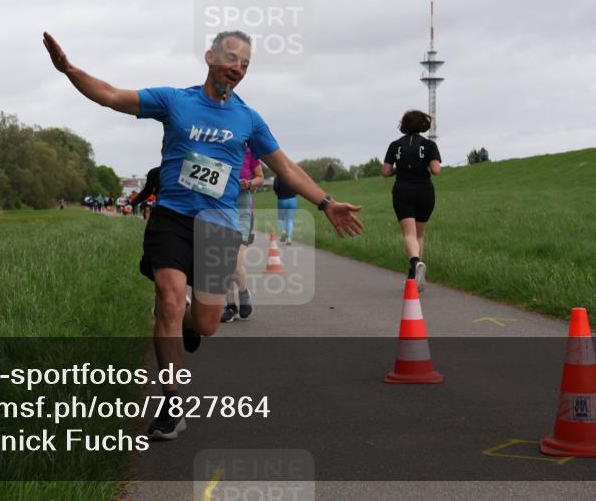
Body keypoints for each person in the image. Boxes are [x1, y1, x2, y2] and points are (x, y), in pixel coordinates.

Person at [42, 28, 363, 441]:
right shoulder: (174, 100)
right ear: (210, 57)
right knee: (169, 300)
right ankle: (171, 404)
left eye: (245, 64)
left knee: (207, 323)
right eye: (231, 58)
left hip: (219, 225)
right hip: (172, 217)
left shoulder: (249, 119)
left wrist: (325, 202)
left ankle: (188, 322)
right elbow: (110, 95)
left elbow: (285, 167)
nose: (237, 68)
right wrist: (69, 70)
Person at [382, 110, 441, 292]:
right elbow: (436, 170)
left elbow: (385, 172)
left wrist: (398, 170)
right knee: (419, 235)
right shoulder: (429, 145)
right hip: (425, 191)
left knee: (409, 234)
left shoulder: (395, 145)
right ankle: (413, 275)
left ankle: (415, 263)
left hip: (403, 191)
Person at [221, 144, 264, 323]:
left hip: (243, 209)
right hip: (221, 208)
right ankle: (230, 306)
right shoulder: (218, 149)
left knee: (236, 259)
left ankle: (244, 292)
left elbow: (260, 177)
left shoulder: (250, 152)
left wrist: (249, 183)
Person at [272, 174, 298, 245]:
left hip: (282, 200)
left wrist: (278, 193)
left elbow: (275, 187)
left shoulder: (277, 177)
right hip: (293, 200)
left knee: (281, 218)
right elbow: (297, 187)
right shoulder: (292, 176)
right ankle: (289, 239)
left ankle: (283, 231)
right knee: (290, 220)